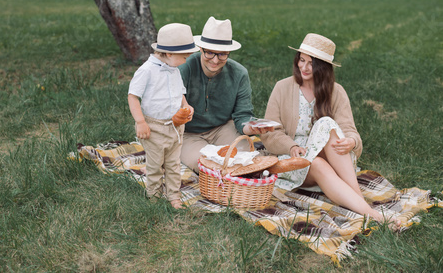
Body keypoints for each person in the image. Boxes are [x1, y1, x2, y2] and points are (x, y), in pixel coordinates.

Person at [260, 33, 400, 229]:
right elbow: (269, 133)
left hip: (330, 158)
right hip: (294, 162)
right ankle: (371, 212)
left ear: (323, 67)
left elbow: (349, 130)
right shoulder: (282, 88)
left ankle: (361, 205)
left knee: (326, 125)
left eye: (311, 63)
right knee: (316, 160)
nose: (304, 67)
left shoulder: (337, 91)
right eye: (301, 60)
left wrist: (351, 142)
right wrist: (291, 146)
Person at [179, 16, 274, 173]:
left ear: (229, 52)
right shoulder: (185, 67)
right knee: (204, 164)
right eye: (209, 53)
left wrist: (253, 128)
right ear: (201, 48)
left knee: (244, 160)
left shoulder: (239, 73)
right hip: (188, 133)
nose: (215, 60)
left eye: (222, 54)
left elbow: (242, 115)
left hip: (222, 128)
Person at [128, 23, 198, 209]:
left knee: (174, 164)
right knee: (155, 165)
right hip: (155, 126)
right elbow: (133, 96)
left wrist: (186, 105)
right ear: (169, 54)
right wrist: (141, 121)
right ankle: (154, 196)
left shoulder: (174, 70)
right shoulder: (147, 70)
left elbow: (179, 92)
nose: (186, 60)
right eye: (184, 57)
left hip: (175, 127)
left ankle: (174, 195)